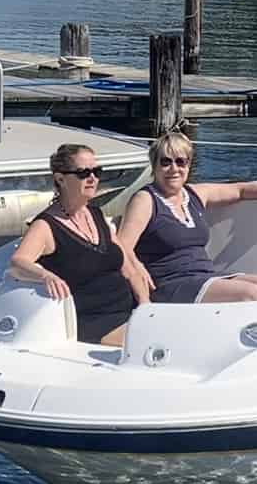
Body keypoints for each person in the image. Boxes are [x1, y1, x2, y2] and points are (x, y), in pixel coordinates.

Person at [117, 128, 257, 303]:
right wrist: (138, 268)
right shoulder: (145, 200)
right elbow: (123, 245)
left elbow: (240, 190)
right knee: (252, 294)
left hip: (204, 275)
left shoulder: (193, 194)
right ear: (155, 165)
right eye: (166, 162)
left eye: (180, 161)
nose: (174, 169)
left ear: (189, 165)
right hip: (169, 283)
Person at [8, 142, 151, 343]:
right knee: (164, 342)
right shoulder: (45, 226)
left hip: (131, 313)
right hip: (94, 324)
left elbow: (129, 270)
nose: (92, 178)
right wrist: (46, 275)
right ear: (60, 179)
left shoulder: (97, 214)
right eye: (83, 173)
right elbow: (17, 264)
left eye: (96, 171)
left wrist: (146, 308)